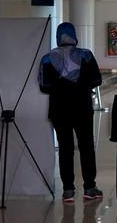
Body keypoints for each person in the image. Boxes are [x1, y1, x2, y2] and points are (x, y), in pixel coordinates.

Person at [39, 22, 103, 203]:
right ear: (74, 35)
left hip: (59, 109)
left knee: (65, 148)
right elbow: (97, 79)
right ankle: (90, 187)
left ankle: (68, 190)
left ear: (59, 36)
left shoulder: (48, 58)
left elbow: (44, 86)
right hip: (82, 107)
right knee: (86, 147)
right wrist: (82, 85)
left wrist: (61, 86)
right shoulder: (86, 55)